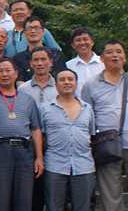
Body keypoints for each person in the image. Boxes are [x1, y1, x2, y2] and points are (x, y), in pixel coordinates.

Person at [81, 39, 128, 211]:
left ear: (125, 57)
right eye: (110, 52)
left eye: (119, 52)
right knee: (110, 195)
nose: (115, 55)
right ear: (102, 58)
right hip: (105, 144)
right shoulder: (90, 84)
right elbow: (86, 117)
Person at [0, 59, 44, 211]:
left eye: (8, 70)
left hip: (24, 151)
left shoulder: (28, 100)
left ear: (16, 74)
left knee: (24, 198)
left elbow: (35, 129)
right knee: (0, 198)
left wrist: (39, 157)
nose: (4, 74)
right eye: (0, 71)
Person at [41, 69, 95, 211]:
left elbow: (91, 135)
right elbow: (41, 136)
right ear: (56, 85)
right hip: (54, 164)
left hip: (83, 165)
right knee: (54, 206)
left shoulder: (87, 108)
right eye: (62, 79)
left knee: (83, 207)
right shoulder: (45, 108)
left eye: (70, 79)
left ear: (76, 83)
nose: (66, 82)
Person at [12, 16, 67, 82]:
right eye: (29, 28)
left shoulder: (55, 54)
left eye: (37, 28)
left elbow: (62, 76)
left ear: (43, 31)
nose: (33, 31)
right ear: (24, 33)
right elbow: (19, 82)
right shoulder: (18, 58)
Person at [65, 27, 104, 95]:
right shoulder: (68, 66)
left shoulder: (104, 63)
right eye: (78, 40)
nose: (82, 43)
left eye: (85, 39)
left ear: (92, 42)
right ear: (73, 45)